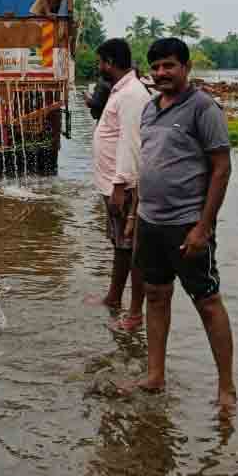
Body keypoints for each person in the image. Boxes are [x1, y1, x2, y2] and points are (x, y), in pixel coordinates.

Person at [123, 37, 236, 409]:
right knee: (156, 295)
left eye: (169, 66)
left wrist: (203, 227)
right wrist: (134, 216)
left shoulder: (203, 108)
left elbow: (221, 169)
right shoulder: (150, 108)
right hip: (150, 222)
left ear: (186, 68)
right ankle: (155, 376)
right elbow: (146, 165)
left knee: (207, 301)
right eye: (155, 67)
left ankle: (226, 388)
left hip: (187, 223)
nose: (161, 73)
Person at [86, 39, 152, 330]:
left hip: (123, 186)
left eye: (100, 61)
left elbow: (131, 143)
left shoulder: (132, 94)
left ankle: (135, 314)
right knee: (121, 245)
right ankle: (114, 298)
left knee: (134, 249)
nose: (98, 67)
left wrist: (120, 185)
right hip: (114, 183)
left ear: (110, 62)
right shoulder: (121, 91)